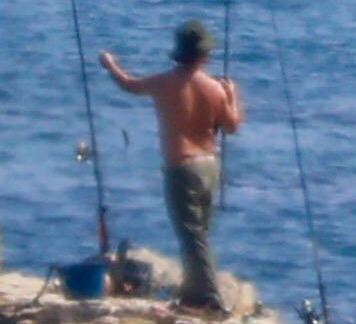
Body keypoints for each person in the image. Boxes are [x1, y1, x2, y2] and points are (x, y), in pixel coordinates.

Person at [97, 20, 245, 304]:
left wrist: (110, 64)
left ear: (179, 53)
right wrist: (232, 95)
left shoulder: (163, 82)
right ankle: (193, 291)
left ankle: (211, 298)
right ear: (204, 55)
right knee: (199, 232)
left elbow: (129, 84)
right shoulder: (215, 88)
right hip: (209, 165)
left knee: (190, 234)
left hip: (182, 168)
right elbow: (231, 125)